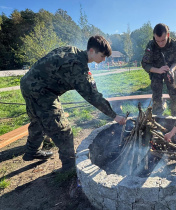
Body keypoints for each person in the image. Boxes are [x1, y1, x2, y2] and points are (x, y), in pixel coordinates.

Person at [20, 35, 126, 172]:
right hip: (41, 92)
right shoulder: (78, 68)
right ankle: (69, 167)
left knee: (38, 119)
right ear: (92, 51)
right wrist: (114, 116)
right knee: (63, 130)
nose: (104, 59)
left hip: (29, 83)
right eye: (103, 56)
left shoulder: (72, 50)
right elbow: (92, 96)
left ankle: (31, 151)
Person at [141, 23, 176, 116]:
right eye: (157, 41)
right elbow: (144, 64)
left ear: (168, 35)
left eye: (163, 40)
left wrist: (171, 69)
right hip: (156, 72)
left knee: (175, 94)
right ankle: (158, 117)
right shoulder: (151, 45)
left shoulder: (175, 45)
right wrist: (158, 70)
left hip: (170, 72)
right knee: (156, 96)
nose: (160, 43)